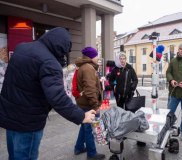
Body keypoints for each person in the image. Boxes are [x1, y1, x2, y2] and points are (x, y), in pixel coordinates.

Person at [0, 27, 96, 160]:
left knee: (13, 156)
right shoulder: (49, 62)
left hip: (10, 117)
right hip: (29, 122)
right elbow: (57, 97)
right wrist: (80, 116)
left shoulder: (21, 48)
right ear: (60, 47)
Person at [73, 47, 105, 160]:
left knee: (85, 126)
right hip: (89, 105)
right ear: (91, 56)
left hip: (83, 103)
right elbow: (90, 89)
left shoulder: (84, 67)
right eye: (96, 55)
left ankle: (79, 147)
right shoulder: (88, 68)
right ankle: (92, 154)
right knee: (90, 129)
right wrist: (95, 106)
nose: (98, 57)